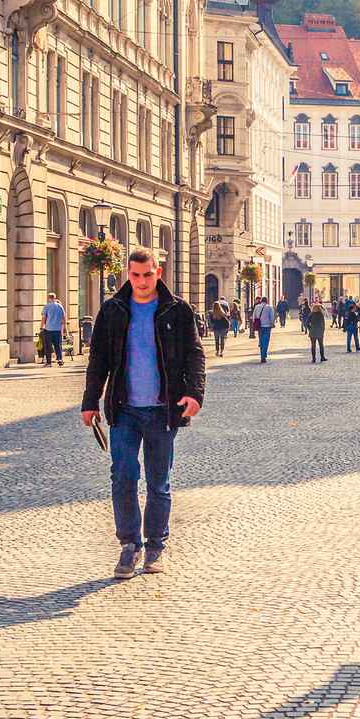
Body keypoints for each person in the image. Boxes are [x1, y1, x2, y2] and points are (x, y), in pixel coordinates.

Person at [81, 246, 205, 579]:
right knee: (122, 478)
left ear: (158, 272)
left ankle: (154, 548)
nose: (141, 281)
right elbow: (99, 362)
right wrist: (90, 402)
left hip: (164, 410)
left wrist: (195, 394)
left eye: (147, 274)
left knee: (157, 483)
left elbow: (195, 355)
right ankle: (128, 546)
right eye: (135, 275)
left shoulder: (177, 310)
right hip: (124, 411)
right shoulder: (113, 309)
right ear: (127, 274)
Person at [40, 292, 67, 367]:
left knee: (48, 346)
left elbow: (44, 318)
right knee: (57, 344)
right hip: (58, 328)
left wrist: (41, 327)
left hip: (49, 328)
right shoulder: (60, 306)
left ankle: (49, 362)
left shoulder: (47, 306)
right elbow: (64, 317)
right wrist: (65, 327)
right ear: (55, 298)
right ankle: (59, 358)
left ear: (49, 298)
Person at [253, 296, 275, 363]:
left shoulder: (257, 307)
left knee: (261, 341)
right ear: (267, 301)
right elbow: (272, 317)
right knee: (266, 341)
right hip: (267, 326)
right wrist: (272, 324)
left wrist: (255, 323)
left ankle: (262, 353)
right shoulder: (269, 307)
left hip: (260, 326)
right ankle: (263, 356)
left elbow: (254, 317)